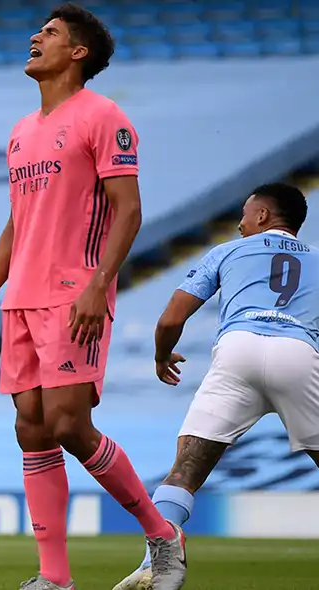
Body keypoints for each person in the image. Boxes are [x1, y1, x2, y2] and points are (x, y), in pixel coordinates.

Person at [0, 4, 186, 590]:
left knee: (67, 425)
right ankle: (54, 577)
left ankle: (161, 534)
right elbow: (17, 223)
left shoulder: (103, 116)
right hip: (21, 302)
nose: (36, 37)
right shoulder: (21, 131)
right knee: (31, 428)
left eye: (51, 33)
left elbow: (129, 211)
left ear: (78, 53)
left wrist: (97, 286)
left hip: (73, 294)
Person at [114, 183, 315, 590]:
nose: (239, 223)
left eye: (245, 212)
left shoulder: (227, 251)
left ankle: (158, 566)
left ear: (262, 216)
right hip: (298, 353)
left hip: (236, 351)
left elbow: (171, 319)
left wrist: (161, 355)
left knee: (184, 471)